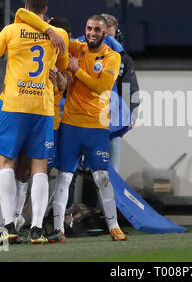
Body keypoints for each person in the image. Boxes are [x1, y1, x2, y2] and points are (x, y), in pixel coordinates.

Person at [17, 13, 127, 242]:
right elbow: (59, 40)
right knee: (64, 177)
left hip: (97, 127)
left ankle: (114, 226)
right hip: (71, 126)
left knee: (102, 178)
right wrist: (49, 27)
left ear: (105, 33)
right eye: (88, 28)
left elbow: (102, 86)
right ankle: (59, 230)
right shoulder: (77, 47)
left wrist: (76, 70)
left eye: (96, 29)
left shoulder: (112, 57)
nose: (91, 33)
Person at [0, 0, 69, 244]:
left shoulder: (10, 31)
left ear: (25, 6)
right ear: (46, 10)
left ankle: (8, 225)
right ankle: (37, 228)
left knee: (5, 163)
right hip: (41, 107)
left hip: (13, 105)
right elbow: (62, 67)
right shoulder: (59, 35)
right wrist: (48, 33)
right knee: (39, 167)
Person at [100, 13, 139, 173]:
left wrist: (132, 114)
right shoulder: (84, 51)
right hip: (88, 117)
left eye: (110, 32)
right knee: (77, 169)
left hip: (113, 120)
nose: (107, 37)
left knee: (112, 171)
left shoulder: (123, 58)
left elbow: (129, 86)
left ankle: (106, 199)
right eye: (104, 32)